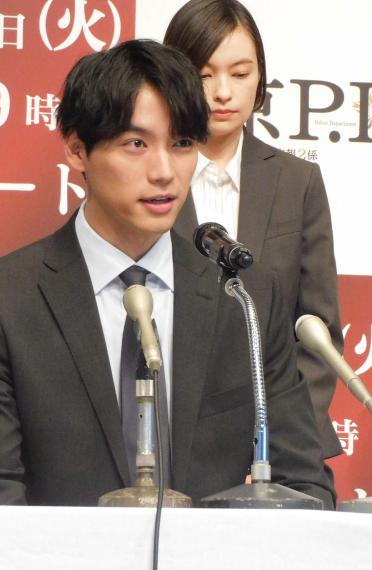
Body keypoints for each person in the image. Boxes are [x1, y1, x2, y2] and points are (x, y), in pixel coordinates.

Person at [0, 39, 335, 508]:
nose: (165, 171)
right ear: (77, 150)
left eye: (182, 144)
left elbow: (303, 485)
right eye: (136, 144)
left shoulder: (244, 299)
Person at [164, 0, 343, 460]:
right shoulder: (147, 180)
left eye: (240, 73)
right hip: (171, 446)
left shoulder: (297, 181)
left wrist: (277, 446)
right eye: (204, 75)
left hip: (283, 449)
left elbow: (317, 331)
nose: (223, 92)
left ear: (261, 78)